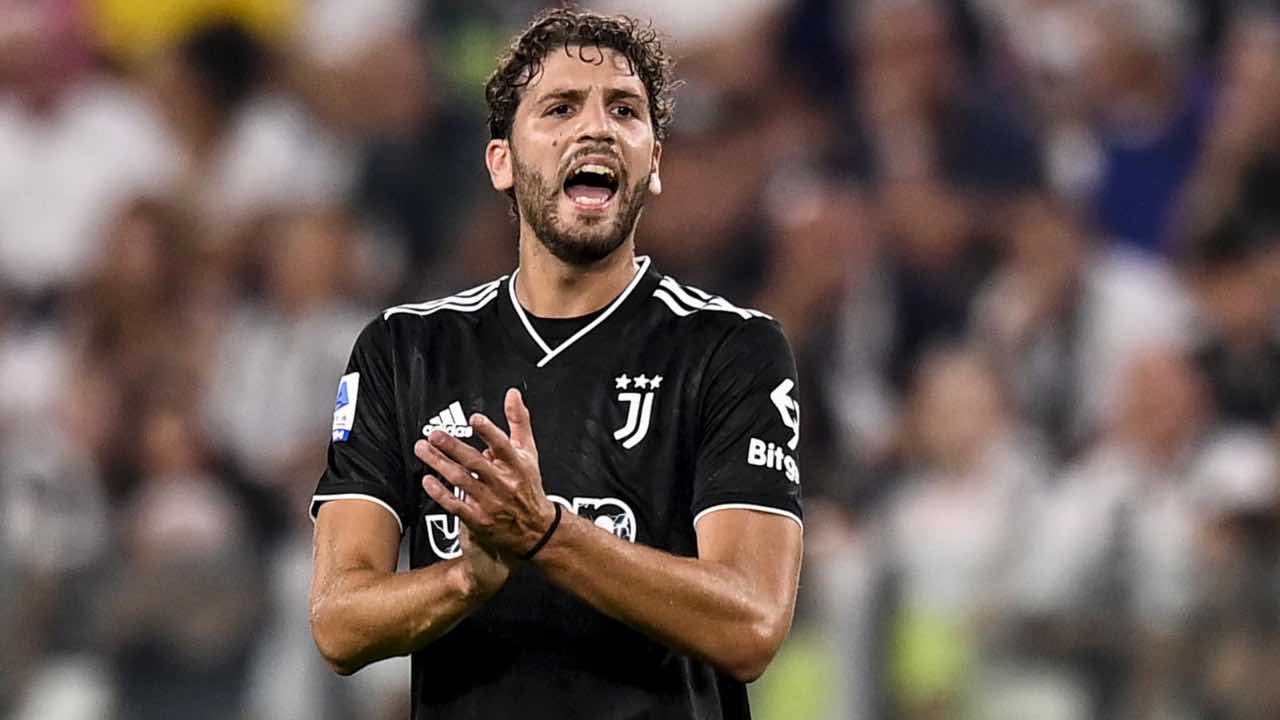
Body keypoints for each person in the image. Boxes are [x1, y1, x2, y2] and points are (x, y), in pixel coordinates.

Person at [307, 9, 804, 719]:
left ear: (654, 162)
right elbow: (336, 620)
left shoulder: (729, 349)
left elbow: (753, 624)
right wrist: (465, 582)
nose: (595, 127)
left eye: (625, 110)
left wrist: (545, 535)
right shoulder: (406, 350)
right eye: (561, 108)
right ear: (501, 161)